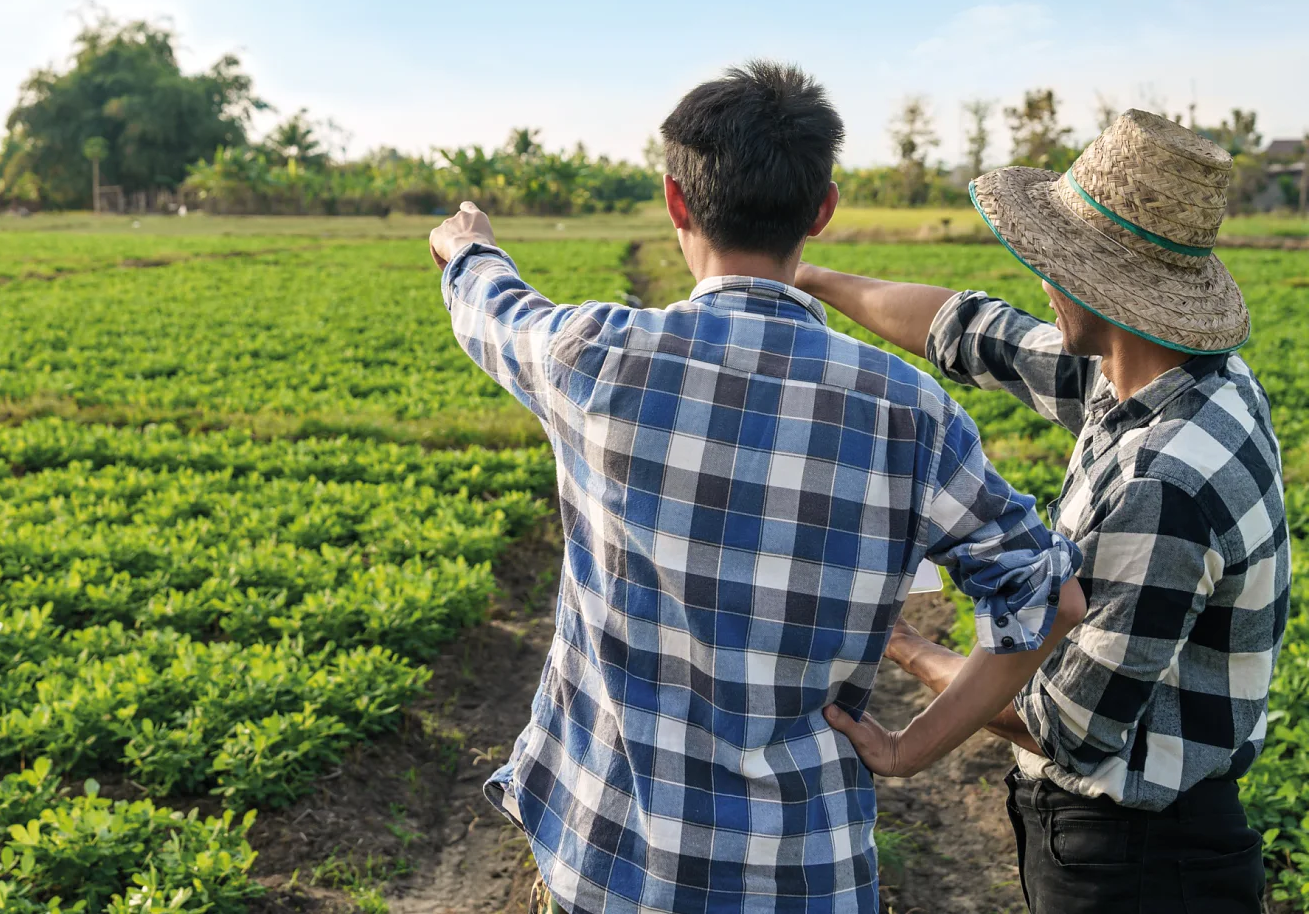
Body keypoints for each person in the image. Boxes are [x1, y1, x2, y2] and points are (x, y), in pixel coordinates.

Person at [429, 60, 1086, 914]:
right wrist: (914, 746)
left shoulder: (595, 356)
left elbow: (494, 309)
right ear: (822, 209)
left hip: (611, 859)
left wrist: (467, 245)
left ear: (676, 202)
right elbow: (1050, 599)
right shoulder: (908, 410)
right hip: (803, 874)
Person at [795, 108, 1289, 912]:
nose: (1043, 283)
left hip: (1136, 863)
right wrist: (811, 279)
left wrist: (906, 663)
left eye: (1056, 266)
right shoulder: (1183, 379)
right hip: (1145, 839)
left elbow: (1062, 725)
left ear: (1107, 289)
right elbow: (969, 331)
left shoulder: (1162, 487)